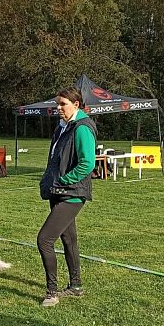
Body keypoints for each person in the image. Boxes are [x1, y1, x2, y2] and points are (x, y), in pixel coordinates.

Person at [36, 86, 97, 307]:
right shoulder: (62, 127)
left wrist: (64, 180)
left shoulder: (82, 128)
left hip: (71, 194)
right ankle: (76, 286)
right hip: (58, 192)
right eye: (57, 104)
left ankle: (52, 292)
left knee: (44, 240)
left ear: (76, 105)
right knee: (68, 239)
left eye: (63, 104)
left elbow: (87, 163)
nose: (59, 108)